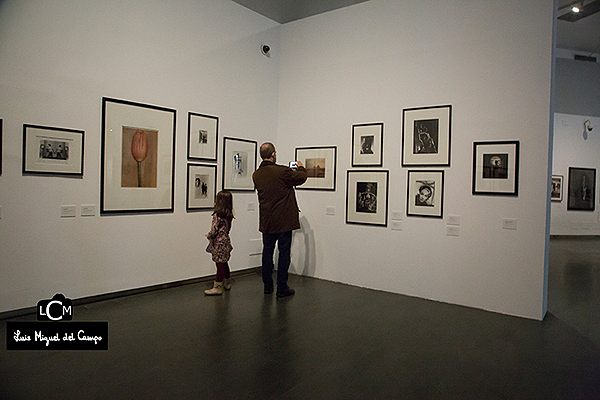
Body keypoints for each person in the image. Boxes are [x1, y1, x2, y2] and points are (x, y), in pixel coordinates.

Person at [252, 142, 307, 297]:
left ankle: (267, 286)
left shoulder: (256, 174)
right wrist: (301, 167)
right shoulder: (282, 171)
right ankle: (282, 287)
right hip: (283, 221)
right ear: (273, 154)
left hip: (267, 221)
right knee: (283, 254)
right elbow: (301, 178)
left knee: (267, 253)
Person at [204, 190, 234, 296]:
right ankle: (227, 282)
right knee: (224, 262)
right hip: (226, 241)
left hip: (218, 242)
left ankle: (218, 287)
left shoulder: (217, 215)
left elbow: (214, 230)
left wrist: (209, 235)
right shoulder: (229, 215)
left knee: (219, 264)